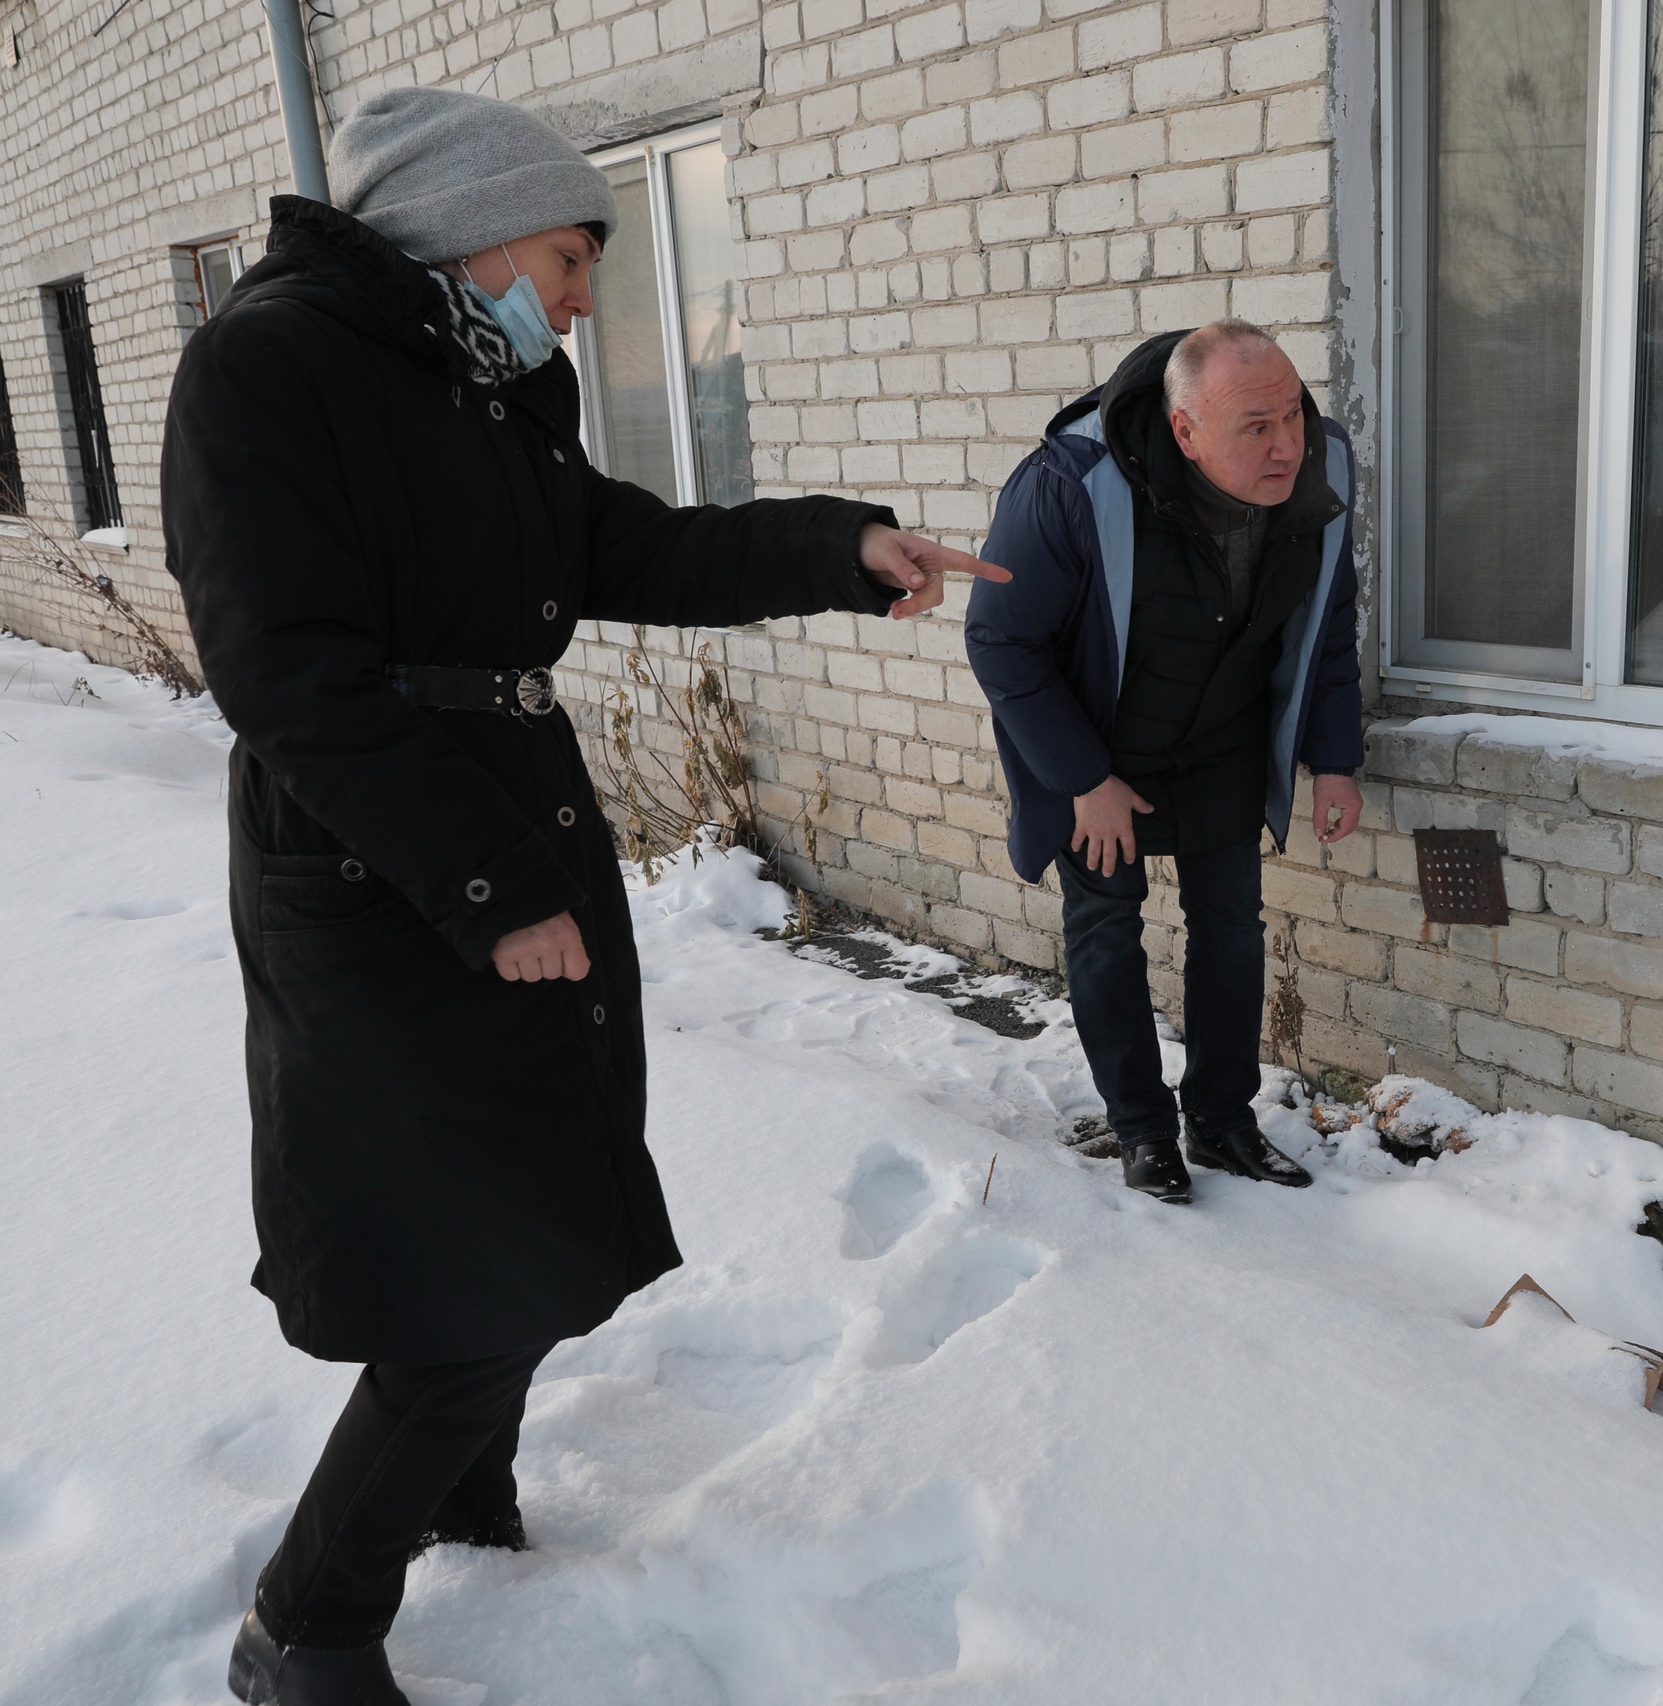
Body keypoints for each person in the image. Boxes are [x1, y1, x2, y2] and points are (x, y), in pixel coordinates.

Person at [159, 88, 1005, 1705]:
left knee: (534, 1210)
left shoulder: (483, 389)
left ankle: (460, 1490)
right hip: (378, 863)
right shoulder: (267, 366)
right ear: (461, 226)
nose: (580, 298)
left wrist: (847, 548)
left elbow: (628, 551)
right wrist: (482, 888)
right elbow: (286, 674)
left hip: (504, 832)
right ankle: (309, 1625)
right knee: (460, 1256)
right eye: (565, 255)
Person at [966, 320, 1363, 1205]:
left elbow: (1329, 624)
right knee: (1107, 928)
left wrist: (1334, 756)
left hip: (1221, 733)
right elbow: (1001, 643)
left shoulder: (1322, 466)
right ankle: (1143, 1130)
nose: (1287, 444)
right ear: (1185, 432)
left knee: (1232, 928)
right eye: (1254, 427)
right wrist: (1082, 780)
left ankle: (1222, 1121)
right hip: (1099, 746)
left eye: (1293, 414)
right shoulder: (1071, 484)